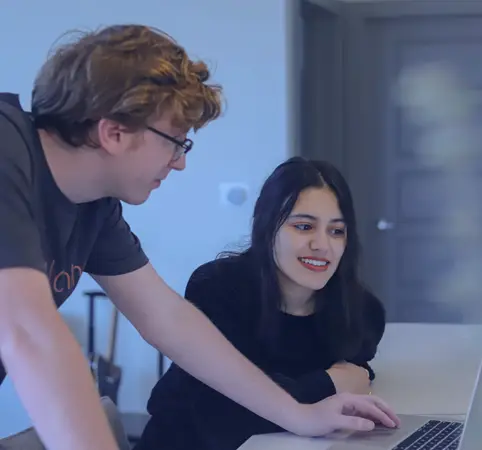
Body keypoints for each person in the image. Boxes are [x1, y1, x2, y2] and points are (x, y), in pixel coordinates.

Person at [0, 25, 399, 450]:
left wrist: (298, 414)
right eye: (176, 143)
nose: (179, 163)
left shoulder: (93, 205)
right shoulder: (7, 150)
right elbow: (27, 331)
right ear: (113, 133)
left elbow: (167, 318)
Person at [135, 157, 387, 450]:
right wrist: (327, 384)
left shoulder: (362, 311)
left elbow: (355, 380)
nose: (322, 245)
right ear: (267, 229)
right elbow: (223, 419)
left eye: (336, 231)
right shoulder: (217, 288)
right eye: (304, 227)